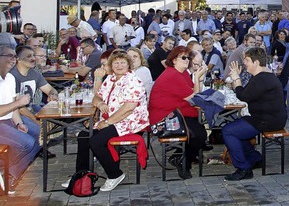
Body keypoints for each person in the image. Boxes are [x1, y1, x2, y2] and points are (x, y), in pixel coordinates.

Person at [66, 50, 149, 192]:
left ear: (129, 64)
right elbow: (96, 97)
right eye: (116, 62)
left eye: (123, 62)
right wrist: (100, 104)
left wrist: (108, 122)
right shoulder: (110, 79)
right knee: (83, 136)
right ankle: (81, 175)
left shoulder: (133, 81)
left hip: (129, 121)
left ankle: (115, 174)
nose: (119, 65)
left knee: (96, 141)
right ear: (111, 65)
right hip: (112, 119)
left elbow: (129, 108)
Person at [223, 47, 287, 181]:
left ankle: (243, 169)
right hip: (268, 118)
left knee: (228, 131)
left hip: (267, 121)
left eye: (247, 60)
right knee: (238, 129)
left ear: (256, 62)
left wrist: (236, 79)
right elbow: (247, 93)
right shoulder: (263, 76)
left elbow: (243, 95)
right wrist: (237, 79)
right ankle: (255, 159)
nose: (244, 62)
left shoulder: (262, 78)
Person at [148, 46, 207, 180]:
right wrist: (197, 78)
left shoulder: (182, 72)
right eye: (183, 57)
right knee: (199, 135)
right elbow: (194, 98)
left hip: (177, 113)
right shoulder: (173, 75)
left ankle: (179, 158)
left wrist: (199, 79)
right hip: (165, 118)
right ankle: (182, 161)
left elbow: (194, 92)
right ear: (174, 60)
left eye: (188, 58)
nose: (187, 60)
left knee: (200, 132)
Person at [0, 46, 40, 193]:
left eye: (14, 56)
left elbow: (13, 108)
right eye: (8, 56)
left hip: (9, 119)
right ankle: (6, 171)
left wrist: (19, 123)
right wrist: (18, 103)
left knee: (40, 136)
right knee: (26, 143)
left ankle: (11, 173)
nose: (13, 59)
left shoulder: (10, 78)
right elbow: (15, 104)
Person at [10, 46, 59, 121]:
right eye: (29, 56)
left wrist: (52, 95)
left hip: (31, 108)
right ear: (18, 59)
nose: (33, 59)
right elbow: (19, 108)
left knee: (56, 122)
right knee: (44, 128)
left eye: (33, 55)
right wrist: (36, 119)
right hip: (15, 115)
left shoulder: (35, 73)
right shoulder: (11, 76)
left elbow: (50, 89)